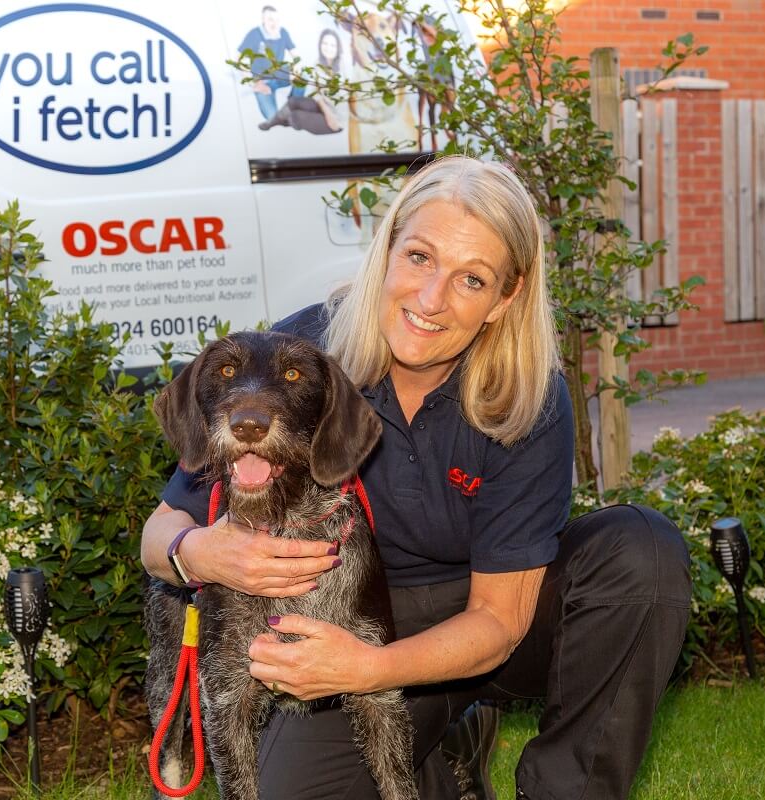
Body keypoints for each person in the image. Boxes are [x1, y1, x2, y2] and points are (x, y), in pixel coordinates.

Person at [141, 156, 691, 800]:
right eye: (421, 257)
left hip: (496, 617)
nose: (432, 300)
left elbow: (499, 621)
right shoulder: (300, 357)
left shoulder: (529, 396)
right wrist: (200, 552)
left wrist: (368, 669)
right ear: (388, 248)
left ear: (505, 297)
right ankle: (444, 756)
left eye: (471, 279)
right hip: (352, 614)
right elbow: (160, 533)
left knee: (639, 551)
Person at [257, 28, 344, 135]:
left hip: (335, 120)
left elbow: (342, 104)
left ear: (338, 47)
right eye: (325, 43)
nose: (328, 48)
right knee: (293, 101)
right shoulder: (318, 64)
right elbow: (316, 92)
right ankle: (273, 122)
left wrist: (329, 114)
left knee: (295, 117)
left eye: (332, 45)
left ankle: (287, 120)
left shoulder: (343, 69)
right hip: (323, 107)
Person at [238, 5, 304, 121]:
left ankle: (294, 104)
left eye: (277, 20)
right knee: (272, 118)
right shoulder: (254, 34)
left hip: (279, 74)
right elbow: (239, 59)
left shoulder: (283, 32)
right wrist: (254, 84)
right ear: (263, 19)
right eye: (270, 19)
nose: (274, 23)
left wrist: (295, 70)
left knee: (304, 75)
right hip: (262, 80)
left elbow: (297, 56)